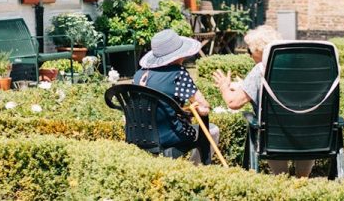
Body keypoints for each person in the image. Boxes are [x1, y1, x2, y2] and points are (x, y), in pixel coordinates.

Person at [211, 25, 315, 177]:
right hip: (309, 136)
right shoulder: (304, 68)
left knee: (269, 130)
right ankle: (302, 179)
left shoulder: (261, 69)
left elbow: (233, 103)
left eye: (249, 51)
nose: (248, 55)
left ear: (260, 51)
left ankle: (283, 179)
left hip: (276, 137)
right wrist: (245, 86)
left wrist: (224, 87)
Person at [134, 29, 219, 165]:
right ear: (178, 54)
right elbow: (203, 106)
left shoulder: (138, 74)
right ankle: (195, 170)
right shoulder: (177, 73)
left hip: (138, 135)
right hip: (167, 136)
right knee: (213, 130)